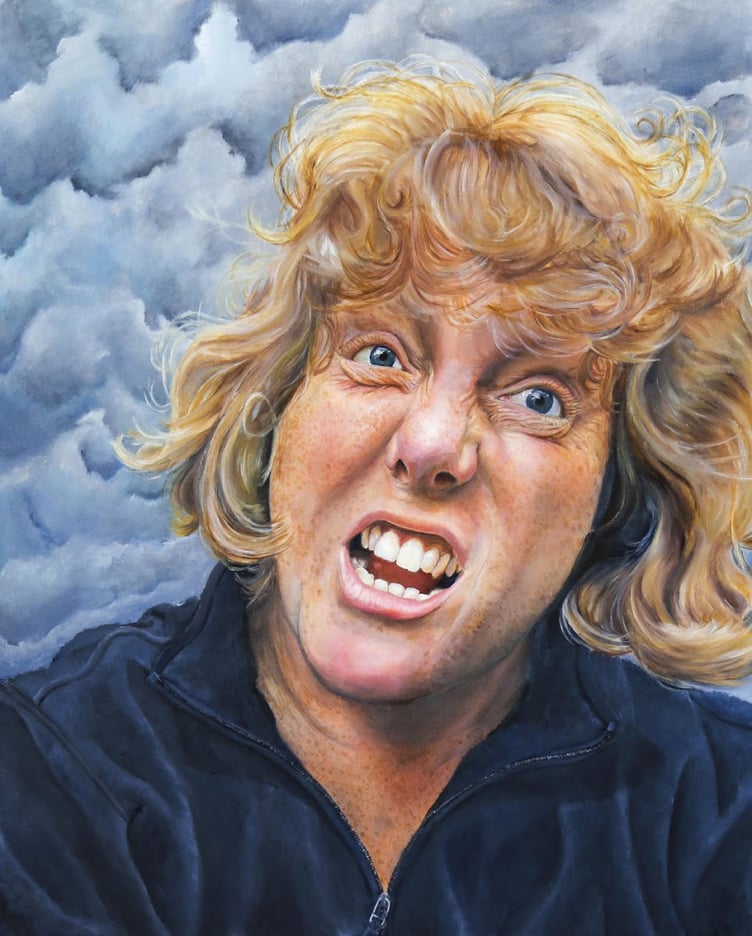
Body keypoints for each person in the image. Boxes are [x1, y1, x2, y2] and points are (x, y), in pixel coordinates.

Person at [2, 58, 752, 935]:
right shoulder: (56, 767)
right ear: (276, 400)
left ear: (620, 487)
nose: (432, 447)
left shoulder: (717, 816)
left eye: (540, 398)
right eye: (381, 355)